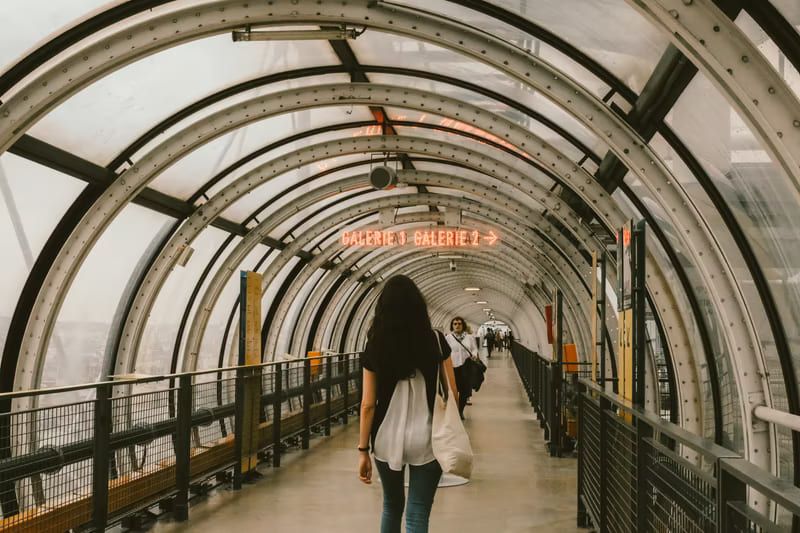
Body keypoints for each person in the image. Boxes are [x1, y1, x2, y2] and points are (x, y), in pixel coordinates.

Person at [357, 275, 459, 533]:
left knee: (391, 506)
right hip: (428, 436)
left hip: (386, 438)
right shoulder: (435, 340)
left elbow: (368, 404)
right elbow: (453, 392)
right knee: (417, 514)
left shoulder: (375, 344)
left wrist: (362, 450)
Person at [446, 317, 479, 419]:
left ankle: (460, 411)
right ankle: (454, 410)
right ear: (452, 325)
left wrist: (474, 354)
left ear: (463, 325)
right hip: (453, 367)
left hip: (466, 366)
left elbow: (474, 349)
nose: (457, 325)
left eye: (459, 323)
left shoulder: (469, 337)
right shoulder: (448, 338)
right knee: (454, 390)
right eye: (455, 324)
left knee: (464, 390)